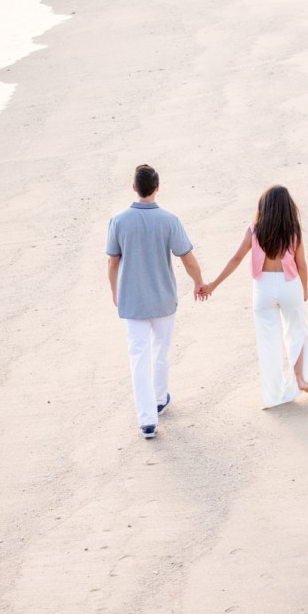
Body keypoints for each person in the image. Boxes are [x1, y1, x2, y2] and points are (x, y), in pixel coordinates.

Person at [200, 186, 308, 408]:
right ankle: (299, 378)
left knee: (268, 342)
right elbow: (302, 265)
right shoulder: (294, 230)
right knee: (297, 331)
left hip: (263, 288)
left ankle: (273, 395)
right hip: (289, 285)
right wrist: (304, 290)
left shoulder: (254, 229)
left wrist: (213, 285)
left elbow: (236, 258)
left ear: (263, 207)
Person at [106, 164, 205, 439]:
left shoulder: (118, 221)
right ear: (157, 188)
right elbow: (188, 259)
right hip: (163, 299)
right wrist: (199, 283)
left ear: (134, 187)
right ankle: (160, 400)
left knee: (139, 357)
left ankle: (147, 420)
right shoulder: (170, 220)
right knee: (161, 351)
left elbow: (112, 263)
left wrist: (115, 291)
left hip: (133, 301)